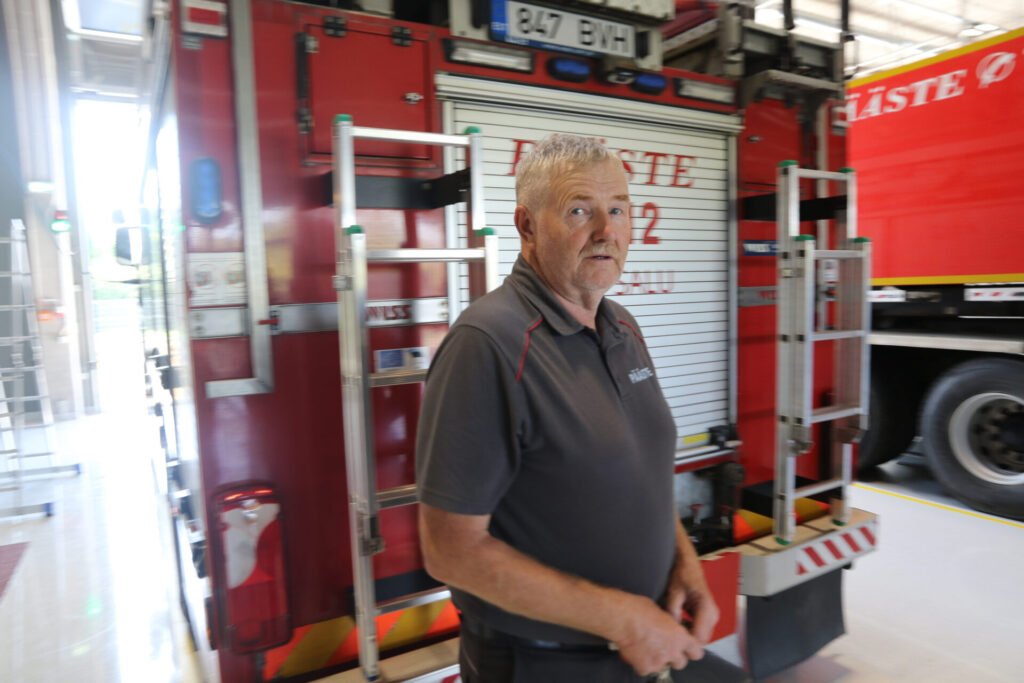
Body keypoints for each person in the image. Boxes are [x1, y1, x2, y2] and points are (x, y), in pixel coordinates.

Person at [415, 134, 719, 682]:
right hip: (541, 664)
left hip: (634, 649)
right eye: (580, 210)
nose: (606, 231)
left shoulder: (623, 326)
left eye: (618, 209)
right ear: (527, 226)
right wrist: (623, 619)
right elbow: (450, 551)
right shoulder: (488, 344)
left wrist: (684, 563)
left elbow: (641, 471)